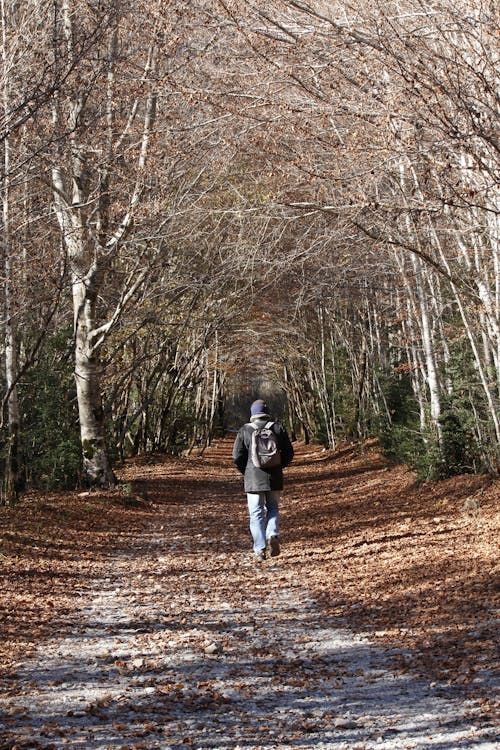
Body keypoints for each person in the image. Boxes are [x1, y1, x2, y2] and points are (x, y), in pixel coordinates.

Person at [232, 399, 294, 562]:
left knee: (256, 514)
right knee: (273, 507)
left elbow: (237, 456)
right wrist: (280, 467)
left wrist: (245, 471)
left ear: (253, 414)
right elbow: (289, 453)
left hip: (253, 479)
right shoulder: (278, 428)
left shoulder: (245, 430)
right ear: (267, 412)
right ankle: (272, 533)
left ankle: (260, 550)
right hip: (274, 477)